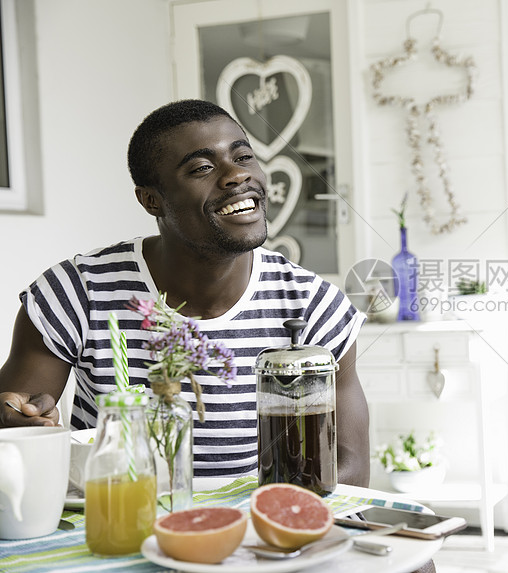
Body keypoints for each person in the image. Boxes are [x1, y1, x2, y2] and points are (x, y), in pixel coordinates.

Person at [0, 99, 370, 486]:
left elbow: (350, 467)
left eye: (243, 156)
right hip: (119, 523)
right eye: (202, 168)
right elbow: (16, 438)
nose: (235, 176)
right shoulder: (77, 292)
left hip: (258, 529)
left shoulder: (313, 306)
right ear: (151, 200)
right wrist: (17, 416)